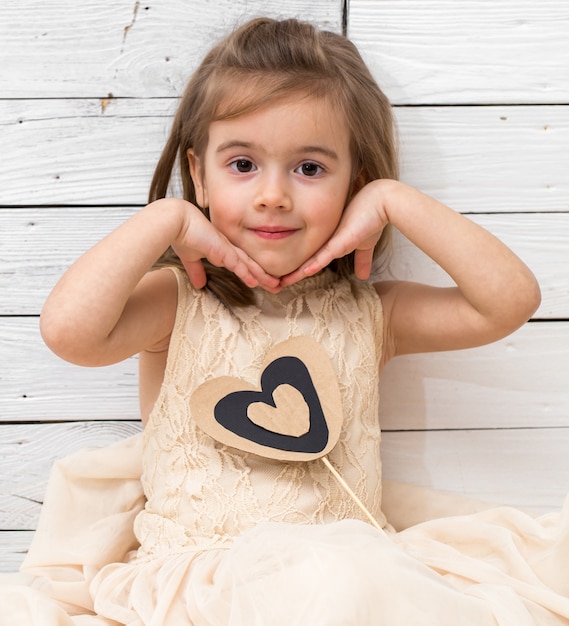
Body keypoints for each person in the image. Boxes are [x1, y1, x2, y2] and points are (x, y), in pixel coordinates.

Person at [2, 15, 569, 626]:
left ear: (354, 181)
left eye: (310, 168)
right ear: (200, 173)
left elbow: (510, 299)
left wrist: (392, 200)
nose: (273, 195)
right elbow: (68, 333)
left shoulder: (373, 313)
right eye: (243, 165)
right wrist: (166, 218)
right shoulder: (178, 304)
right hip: (201, 585)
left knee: (339, 577)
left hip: (348, 586)